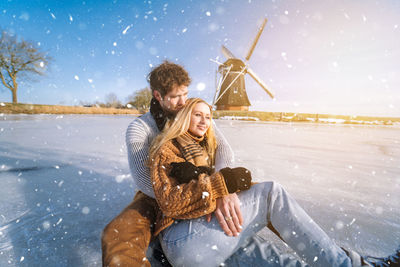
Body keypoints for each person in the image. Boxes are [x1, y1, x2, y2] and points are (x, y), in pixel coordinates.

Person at [149, 97, 400, 267]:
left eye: (209, 116)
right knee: (270, 194)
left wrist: (228, 188)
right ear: (184, 117)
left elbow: (215, 182)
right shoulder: (167, 148)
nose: (205, 121)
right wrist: (220, 186)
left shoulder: (205, 150)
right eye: (197, 115)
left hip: (203, 240)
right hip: (180, 242)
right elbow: (170, 203)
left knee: (265, 255)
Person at [102, 61, 244, 266]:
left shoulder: (193, 114)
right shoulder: (140, 128)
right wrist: (184, 198)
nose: (182, 101)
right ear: (158, 95)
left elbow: (224, 151)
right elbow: (143, 179)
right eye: (175, 96)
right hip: (157, 193)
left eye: (185, 94)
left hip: (204, 182)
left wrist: (218, 189)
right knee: (117, 235)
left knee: (263, 195)